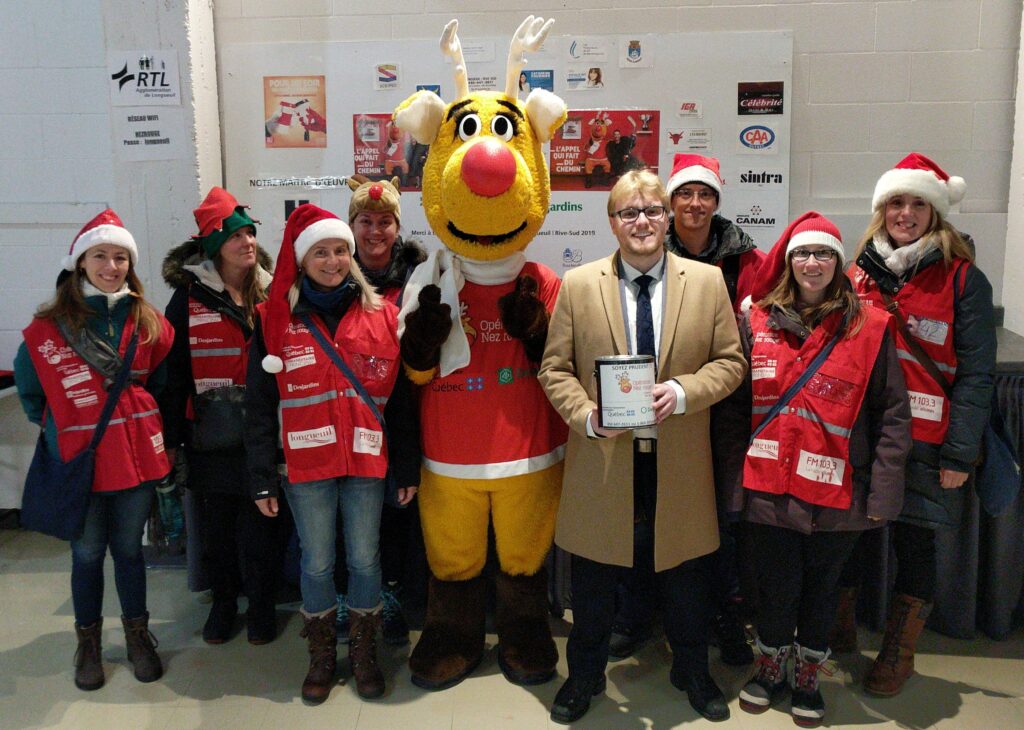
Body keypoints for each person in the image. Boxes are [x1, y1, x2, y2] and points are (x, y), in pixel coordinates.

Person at [539, 170, 746, 724]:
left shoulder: (706, 281)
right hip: (605, 462)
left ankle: (693, 672)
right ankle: (583, 679)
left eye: (652, 210)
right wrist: (586, 416)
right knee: (595, 583)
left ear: (668, 216)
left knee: (686, 580)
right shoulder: (579, 284)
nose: (643, 222)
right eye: (629, 212)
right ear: (612, 222)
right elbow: (554, 368)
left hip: (678, 462)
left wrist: (682, 391)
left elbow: (732, 363)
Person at [730, 212, 911, 728]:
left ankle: (808, 671)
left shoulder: (872, 328)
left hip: (840, 492)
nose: (813, 263)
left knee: (823, 586)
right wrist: (729, 483)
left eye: (824, 254)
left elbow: (894, 414)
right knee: (775, 583)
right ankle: (769, 667)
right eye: (803, 254)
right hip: (768, 486)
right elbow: (734, 409)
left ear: (839, 262)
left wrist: (883, 493)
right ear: (790, 262)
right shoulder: (757, 321)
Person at [244, 204, 420, 703]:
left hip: (366, 463)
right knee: (317, 564)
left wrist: (406, 465)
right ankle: (322, 654)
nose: (333, 260)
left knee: (365, 561)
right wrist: (261, 476)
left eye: (340, 250)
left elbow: (400, 401)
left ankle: (364, 654)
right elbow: (259, 406)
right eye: (321, 251)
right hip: (305, 467)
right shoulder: (272, 321)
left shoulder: (383, 315)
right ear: (302, 260)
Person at [842, 153, 996, 696]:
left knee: (915, 546)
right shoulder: (856, 268)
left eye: (917, 204)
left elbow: (977, 376)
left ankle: (897, 652)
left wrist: (959, 454)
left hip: (928, 444)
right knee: (849, 536)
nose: (905, 213)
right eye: (896, 203)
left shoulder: (962, 279)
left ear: (935, 212)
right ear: (882, 209)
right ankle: (837, 635)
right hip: (860, 437)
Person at [15, 209, 174, 691]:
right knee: (86, 554)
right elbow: (31, 395)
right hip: (79, 465)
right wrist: (69, 435)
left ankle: (138, 636)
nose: (111, 266)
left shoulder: (147, 320)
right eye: (100, 256)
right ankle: (87, 642)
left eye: (120, 257)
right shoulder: (47, 330)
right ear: (80, 263)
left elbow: (162, 387)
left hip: (133, 461)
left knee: (128, 552)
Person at [159, 187, 281, 645]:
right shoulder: (187, 300)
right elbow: (173, 375)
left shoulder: (273, 292)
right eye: (235, 236)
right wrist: (172, 438)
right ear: (214, 246)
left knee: (264, 527)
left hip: (263, 434)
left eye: (250, 233)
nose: (247, 242)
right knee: (219, 533)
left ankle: (263, 606)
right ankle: (226, 603)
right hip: (210, 438)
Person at [331, 174, 427, 646]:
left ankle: (388, 598)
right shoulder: (332, 276)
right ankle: (353, 598)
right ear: (351, 226)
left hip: (401, 414)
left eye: (385, 221)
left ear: (397, 226)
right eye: (365, 221)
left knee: (395, 514)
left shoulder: (419, 276)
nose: (375, 231)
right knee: (349, 516)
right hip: (345, 418)